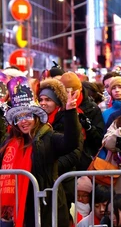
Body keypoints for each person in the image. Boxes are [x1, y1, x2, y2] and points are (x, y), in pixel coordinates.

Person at [0, 76, 80, 226]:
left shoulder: (48, 136)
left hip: (46, 205)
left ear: (36, 116)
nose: (23, 121)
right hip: (16, 207)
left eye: (27, 116)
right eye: (18, 117)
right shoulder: (9, 142)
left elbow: (71, 143)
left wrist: (70, 112)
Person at [38, 78, 84, 210]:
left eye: (48, 100)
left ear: (57, 103)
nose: (43, 103)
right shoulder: (37, 122)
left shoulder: (69, 120)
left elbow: (74, 153)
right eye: (41, 99)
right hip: (44, 183)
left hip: (64, 182)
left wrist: (51, 167)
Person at [60, 72, 104, 170]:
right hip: (64, 160)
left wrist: (88, 126)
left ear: (80, 89)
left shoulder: (92, 108)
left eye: (73, 93)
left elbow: (99, 139)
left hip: (85, 161)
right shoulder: (58, 106)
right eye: (65, 93)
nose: (69, 96)